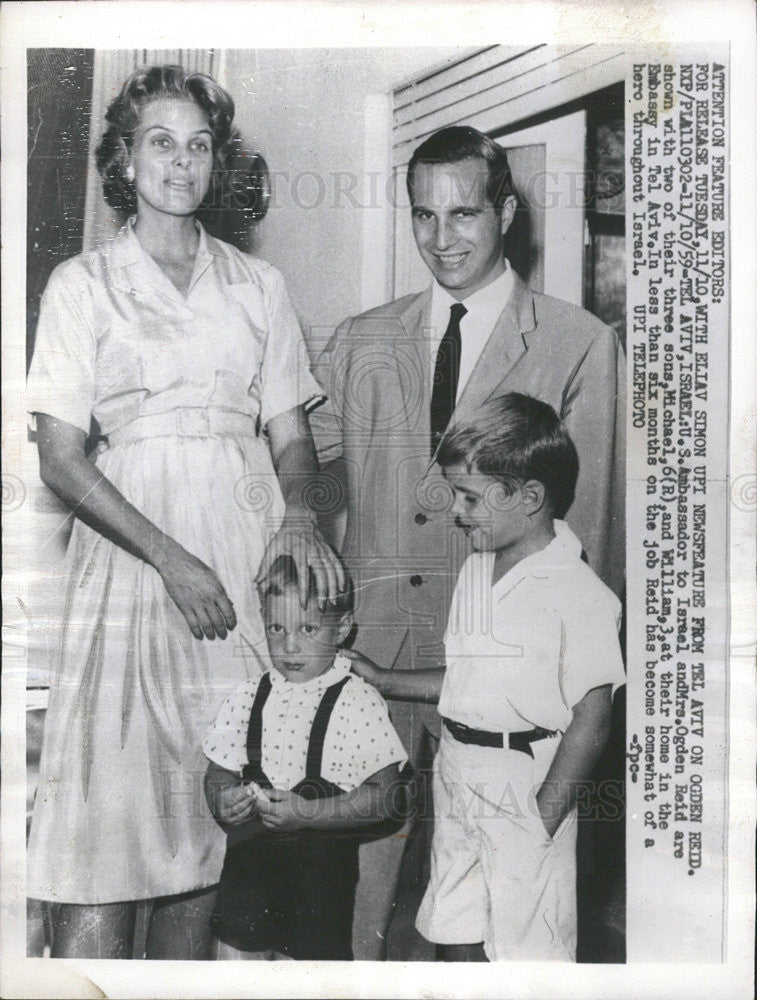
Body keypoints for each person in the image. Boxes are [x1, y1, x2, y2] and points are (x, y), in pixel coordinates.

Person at [26, 64, 343, 959]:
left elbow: (289, 435)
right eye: (160, 142)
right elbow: (60, 457)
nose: (182, 161)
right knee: (106, 831)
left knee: (208, 825)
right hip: (133, 560)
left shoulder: (258, 286)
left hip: (242, 556)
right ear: (123, 159)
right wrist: (170, 560)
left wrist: (299, 517)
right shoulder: (80, 285)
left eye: (199, 144)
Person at [309, 124, 626, 957]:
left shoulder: (580, 343)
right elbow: (314, 467)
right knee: (355, 909)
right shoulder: (360, 338)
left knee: (502, 928)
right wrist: (304, 522)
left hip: (502, 697)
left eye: (463, 214)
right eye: (422, 216)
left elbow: (582, 540)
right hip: (371, 661)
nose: (441, 239)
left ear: (506, 213)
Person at [348, 393, 626, 961]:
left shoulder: (580, 594)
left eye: (469, 496)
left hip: (524, 785)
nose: (456, 509)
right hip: (457, 773)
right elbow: (469, 680)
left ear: (528, 497)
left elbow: (592, 721)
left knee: (526, 954)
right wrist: (386, 678)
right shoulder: (477, 568)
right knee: (452, 927)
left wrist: (543, 817)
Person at [203, 554, 408, 960]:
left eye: (308, 628)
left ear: (342, 628)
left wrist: (310, 814)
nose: (290, 645)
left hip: (317, 884)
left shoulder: (358, 700)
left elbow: (386, 797)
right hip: (249, 875)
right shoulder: (247, 695)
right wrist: (222, 801)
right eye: (276, 628)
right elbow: (217, 775)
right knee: (235, 969)